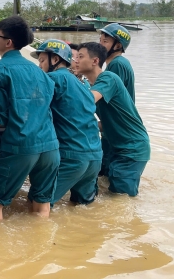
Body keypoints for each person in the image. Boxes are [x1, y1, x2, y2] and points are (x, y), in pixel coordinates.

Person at [0, 16, 60, 221]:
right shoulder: (40, 72)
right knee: (42, 204)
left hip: (21, 145)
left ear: (8, 42)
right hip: (50, 146)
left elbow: (1, 117)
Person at [31, 39, 102, 206]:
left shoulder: (51, 78)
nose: (40, 66)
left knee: (39, 205)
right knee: (82, 208)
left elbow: (30, 104)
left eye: (42, 60)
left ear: (55, 60)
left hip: (72, 156)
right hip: (95, 156)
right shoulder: (80, 83)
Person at [75, 42, 150, 196]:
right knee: (108, 192)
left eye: (80, 57)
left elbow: (85, 101)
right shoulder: (91, 86)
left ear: (95, 61)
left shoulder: (109, 78)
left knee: (121, 200)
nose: (76, 60)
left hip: (132, 150)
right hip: (116, 147)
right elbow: (106, 122)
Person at [98, 24, 135, 176]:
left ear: (118, 45)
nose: (100, 45)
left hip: (117, 132)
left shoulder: (117, 64)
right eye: (99, 40)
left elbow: (109, 98)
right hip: (114, 128)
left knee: (108, 175)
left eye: (105, 41)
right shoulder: (117, 63)